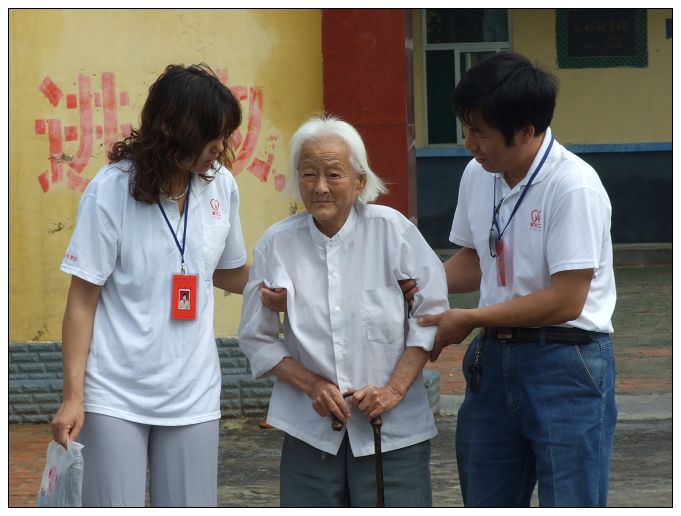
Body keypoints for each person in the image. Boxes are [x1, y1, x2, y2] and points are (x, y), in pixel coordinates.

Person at [417, 52, 617, 507]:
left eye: (479, 132)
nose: (468, 142)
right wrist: (415, 281)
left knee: (571, 500)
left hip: (565, 364)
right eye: (465, 128)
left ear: (525, 131)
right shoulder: (479, 173)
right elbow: (475, 259)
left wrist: (469, 317)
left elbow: (566, 299)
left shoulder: (574, 187)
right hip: (494, 362)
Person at [50, 63, 250, 507]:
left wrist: (288, 285)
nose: (221, 148)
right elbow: (82, 301)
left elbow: (226, 271)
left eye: (225, 136)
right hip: (115, 393)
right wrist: (73, 397)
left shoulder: (221, 187)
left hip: (194, 390)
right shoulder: (111, 190)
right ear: (176, 131)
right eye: (212, 136)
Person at [238, 116, 450, 507]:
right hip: (310, 430)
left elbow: (431, 316)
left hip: (392, 430)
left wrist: (393, 390)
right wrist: (312, 385)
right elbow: (255, 337)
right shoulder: (277, 244)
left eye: (333, 174)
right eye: (308, 174)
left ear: (359, 180)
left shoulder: (393, 232)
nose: (319, 187)